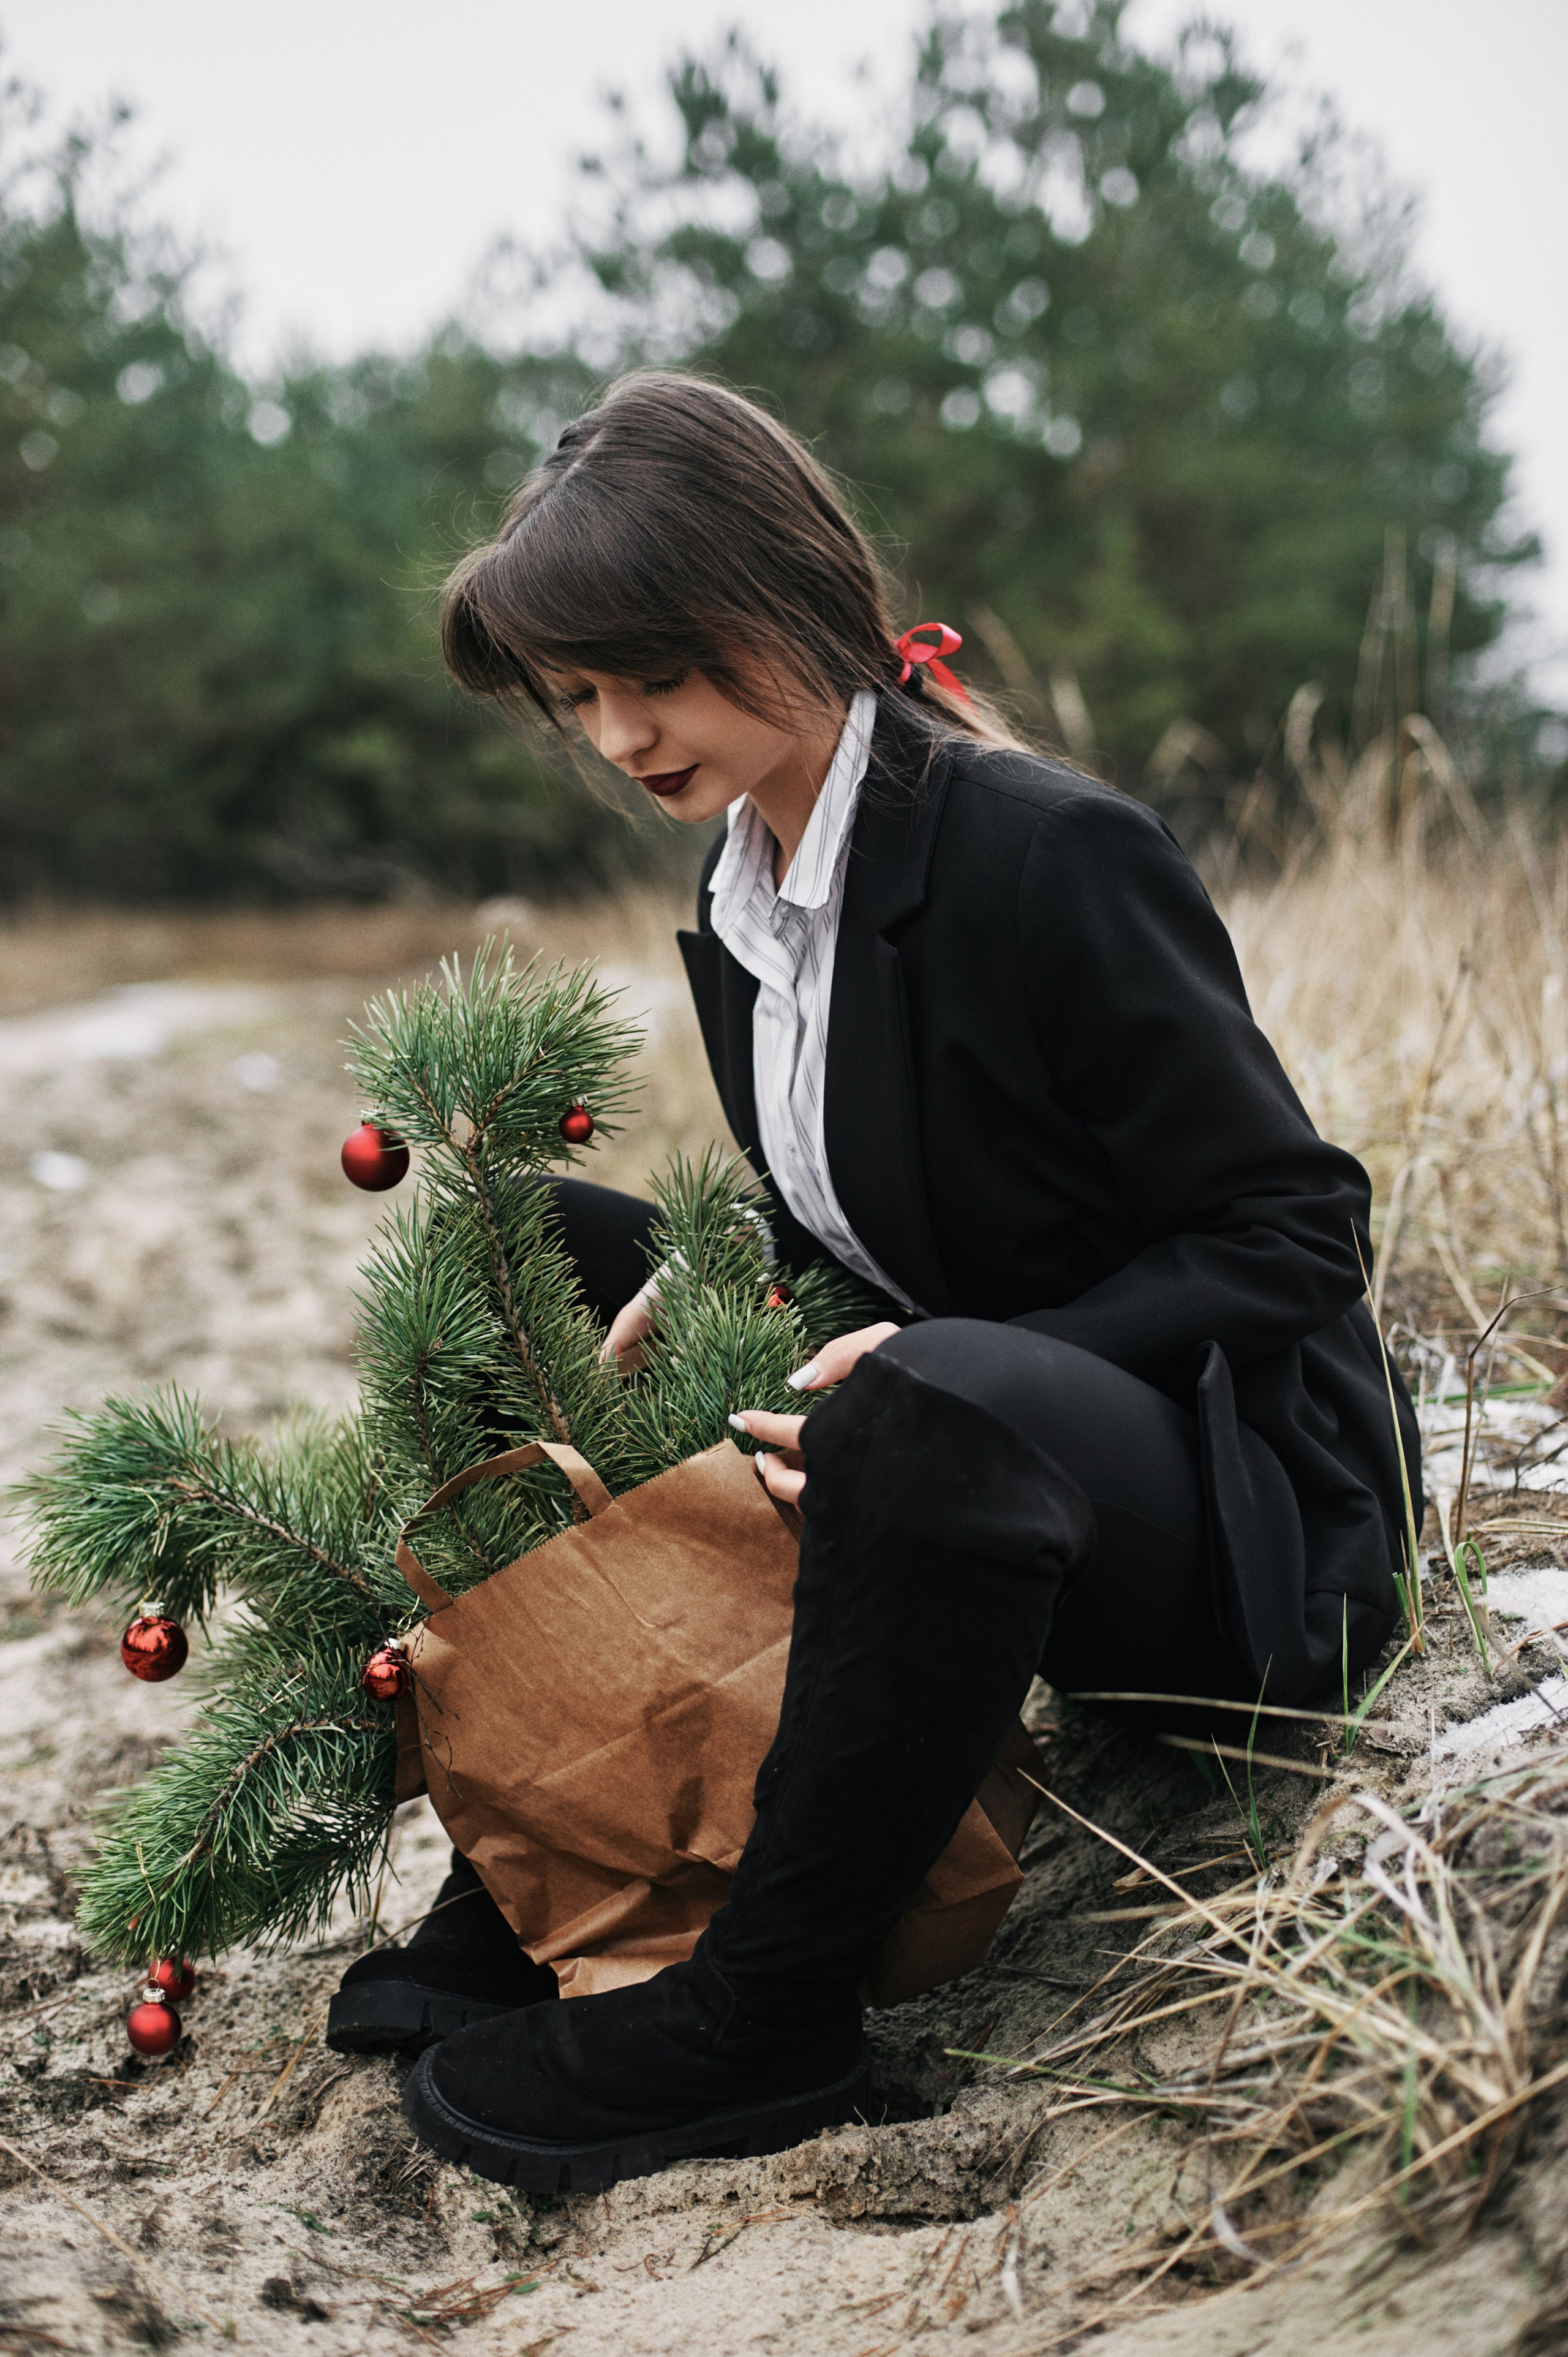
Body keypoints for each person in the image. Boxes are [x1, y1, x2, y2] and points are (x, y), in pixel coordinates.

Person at [330, 371, 1422, 2193]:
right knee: (536, 1239)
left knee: (932, 1388)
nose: (619, 735)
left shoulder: (1045, 851)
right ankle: (547, 1870)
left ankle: (769, 2011)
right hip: (976, 1447)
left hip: (1233, 1527)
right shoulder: (745, 882)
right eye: (579, 697)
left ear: (778, 597)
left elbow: (1296, 1232)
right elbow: (906, 1206)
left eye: (649, 675)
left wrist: (949, 1358)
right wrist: (729, 1273)